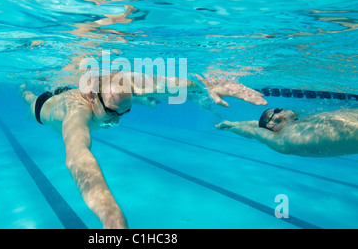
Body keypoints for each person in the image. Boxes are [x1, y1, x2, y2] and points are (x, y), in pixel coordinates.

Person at [19, 72, 267, 229]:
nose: (117, 120)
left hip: (97, 95)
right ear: (94, 98)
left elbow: (179, 82)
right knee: (30, 102)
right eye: (112, 113)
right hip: (45, 106)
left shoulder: (124, 87)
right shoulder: (77, 113)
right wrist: (111, 217)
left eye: (124, 112)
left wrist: (208, 85)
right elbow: (78, 156)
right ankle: (25, 91)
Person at [215, 108, 358, 157]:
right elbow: (254, 131)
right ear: (272, 123)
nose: (284, 109)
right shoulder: (285, 140)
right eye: (278, 110)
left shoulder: (298, 125)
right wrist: (230, 127)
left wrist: (233, 122)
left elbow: (255, 125)